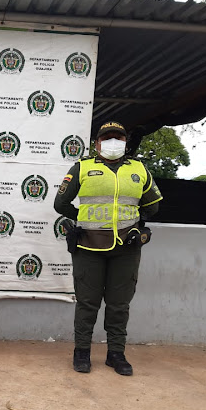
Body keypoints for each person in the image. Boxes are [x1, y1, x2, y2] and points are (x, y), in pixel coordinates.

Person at [54, 121, 162, 376]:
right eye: (107, 138)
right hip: (88, 246)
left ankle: (116, 354)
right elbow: (61, 203)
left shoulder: (139, 169)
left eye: (118, 138)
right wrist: (82, 217)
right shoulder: (82, 168)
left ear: (125, 143)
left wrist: (136, 223)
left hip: (126, 248)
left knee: (119, 305)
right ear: (97, 144)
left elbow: (153, 205)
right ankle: (82, 351)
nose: (113, 142)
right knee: (87, 303)